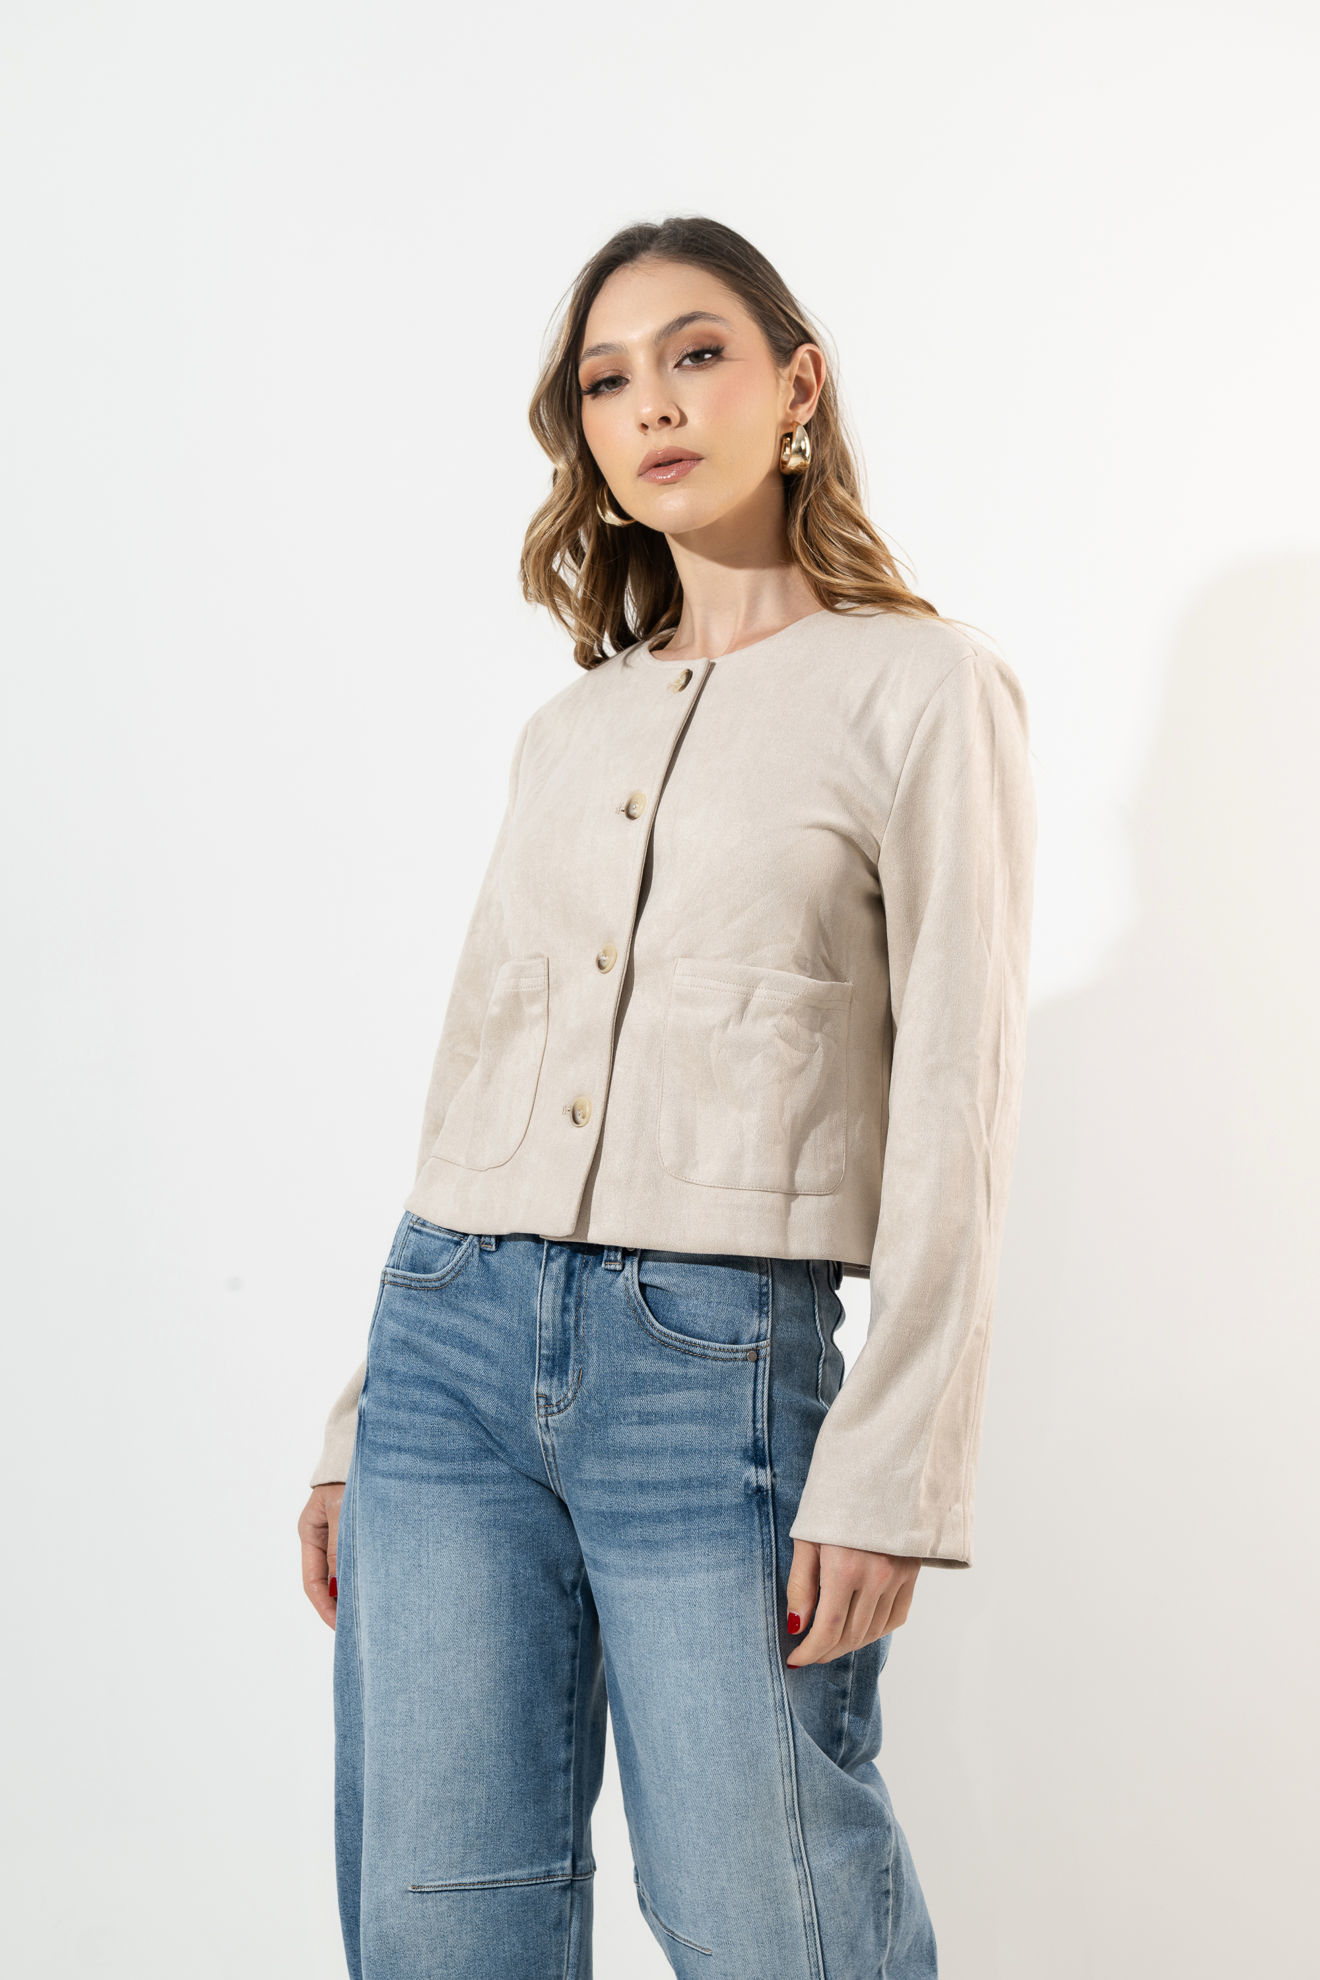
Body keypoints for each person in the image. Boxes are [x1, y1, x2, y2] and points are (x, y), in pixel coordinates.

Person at [296, 214, 1037, 1980]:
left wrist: (893, 1473)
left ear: (799, 386)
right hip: (446, 1358)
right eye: (606, 381)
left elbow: (960, 1097)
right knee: (437, 1919)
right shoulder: (569, 732)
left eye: (697, 354)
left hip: (714, 1374)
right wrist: (356, 1421)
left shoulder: (923, 690)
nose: (653, 405)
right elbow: (477, 1076)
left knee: (771, 1918)